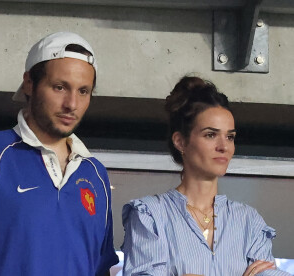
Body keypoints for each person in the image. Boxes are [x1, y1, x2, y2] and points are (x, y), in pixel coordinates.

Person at [121, 76, 291, 276]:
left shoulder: (248, 221)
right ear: (181, 142)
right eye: (210, 135)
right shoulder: (150, 216)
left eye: (230, 137)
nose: (224, 146)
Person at [0, 32, 118, 276]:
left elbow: (101, 269)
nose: (71, 104)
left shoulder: (96, 174)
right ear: (29, 83)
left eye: (83, 91)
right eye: (60, 87)